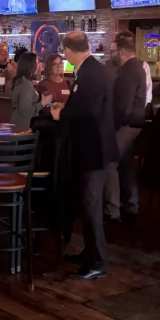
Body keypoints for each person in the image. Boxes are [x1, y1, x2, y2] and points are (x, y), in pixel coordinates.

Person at [51, 31, 117, 280]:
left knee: (91, 207)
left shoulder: (90, 73)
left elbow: (88, 111)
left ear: (68, 50)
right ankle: (90, 253)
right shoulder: (91, 70)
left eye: (64, 52)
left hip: (94, 150)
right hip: (91, 148)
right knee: (87, 205)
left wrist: (61, 114)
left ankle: (98, 262)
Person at [104, 33, 146, 222]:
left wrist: (111, 125)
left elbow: (122, 106)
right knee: (126, 165)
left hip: (126, 125)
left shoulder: (129, 71)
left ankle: (112, 211)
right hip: (135, 124)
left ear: (121, 51)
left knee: (109, 163)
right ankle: (131, 205)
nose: (110, 55)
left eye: (112, 51)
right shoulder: (138, 67)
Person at [10, 52, 50, 128]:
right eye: (37, 62)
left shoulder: (21, 81)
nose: (39, 64)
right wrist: (43, 103)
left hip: (18, 123)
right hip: (23, 126)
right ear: (31, 66)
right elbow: (25, 111)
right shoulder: (26, 84)